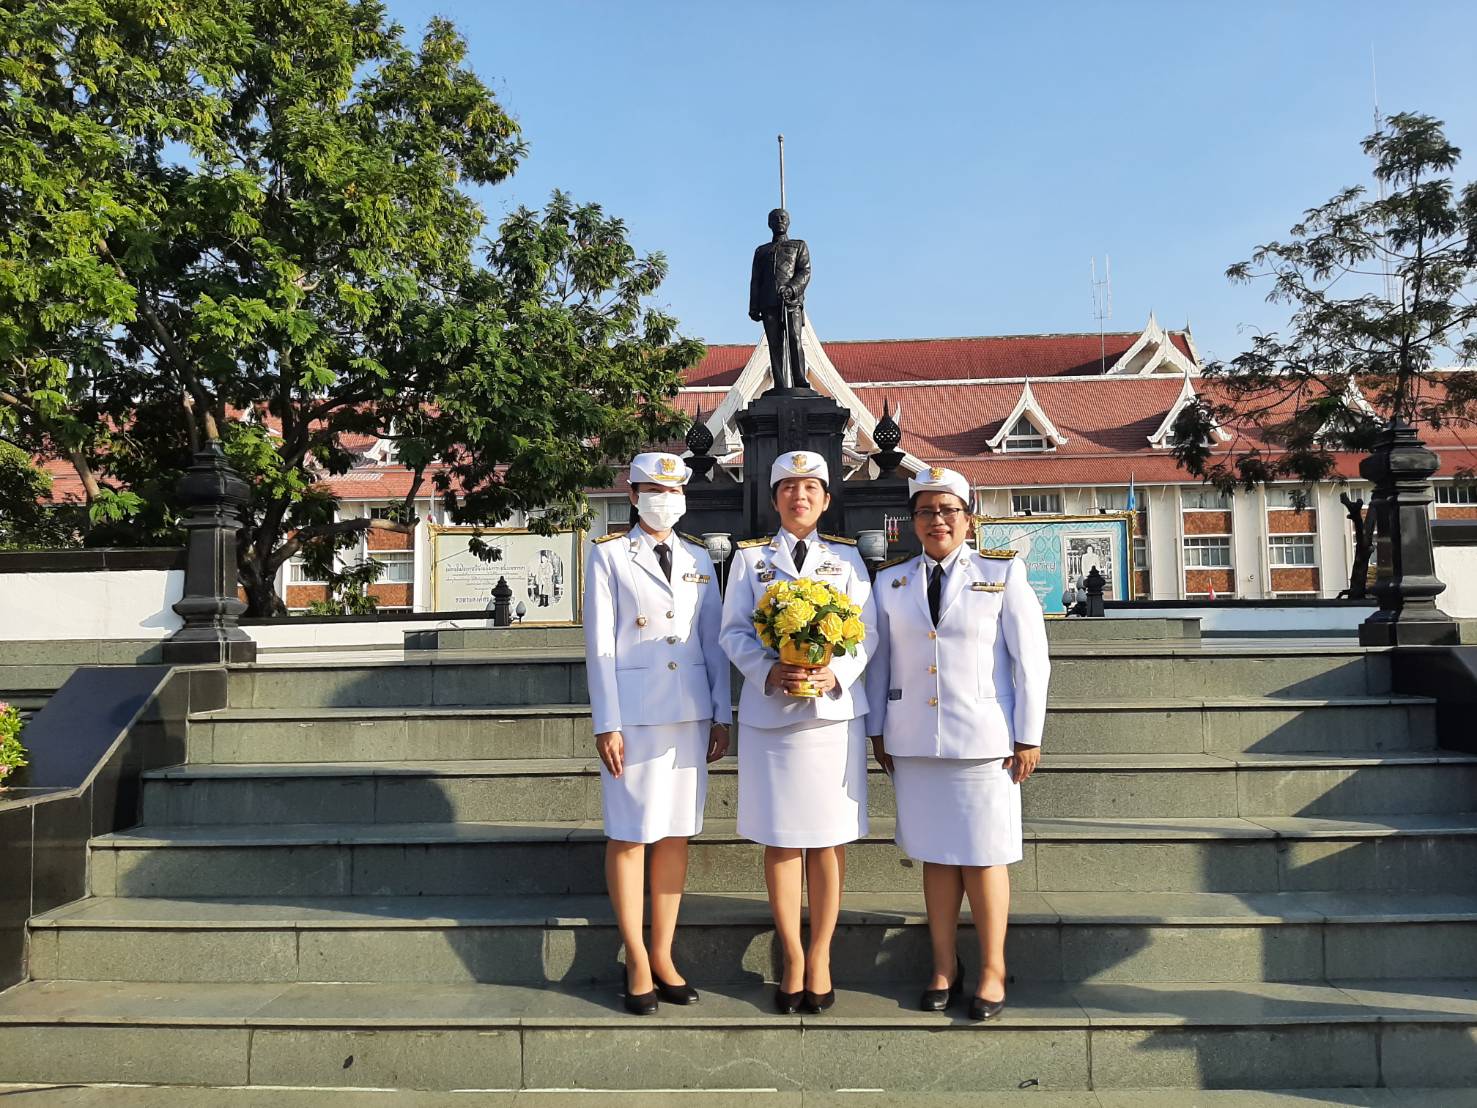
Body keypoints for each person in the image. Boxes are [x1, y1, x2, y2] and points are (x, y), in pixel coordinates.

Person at [865, 466, 1049, 1021]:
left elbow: (1031, 662)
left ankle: (992, 967)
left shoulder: (1002, 573)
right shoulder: (890, 582)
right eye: (926, 511)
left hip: (985, 741)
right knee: (937, 857)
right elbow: (880, 663)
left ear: (969, 518)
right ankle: (944, 965)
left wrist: (1028, 735)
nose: (937, 520)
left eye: (948, 510)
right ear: (911, 522)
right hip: (915, 741)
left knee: (986, 857)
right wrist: (878, 729)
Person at [719, 449, 876, 1014]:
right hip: (773, 719)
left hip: (832, 717)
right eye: (788, 487)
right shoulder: (750, 561)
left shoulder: (848, 559)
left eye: (811, 487)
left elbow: (868, 633)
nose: (799, 496)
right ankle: (790, 957)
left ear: (826, 499)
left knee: (829, 840)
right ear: (774, 498)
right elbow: (733, 632)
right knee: (782, 839)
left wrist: (838, 670)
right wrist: (767, 670)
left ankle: (822, 955)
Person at [583, 451, 731, 1014]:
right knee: (629, 834)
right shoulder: (610, 556)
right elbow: (599, 645)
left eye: (673, 490)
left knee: (673, 834)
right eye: (653, 489)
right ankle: (637, 958)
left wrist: (722, 713)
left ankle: (664, 953)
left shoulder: (698, 557)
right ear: (633, 492)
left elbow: (712, 642)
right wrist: (608, 722)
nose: (664, 498)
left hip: (688, 714)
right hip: (636, 716)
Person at [748, 208, 812, 391]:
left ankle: (800, 380)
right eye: (775, 219)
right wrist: (753, 306)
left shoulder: (798, 246)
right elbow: (756, 280)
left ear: (789, 222)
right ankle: (780, 383)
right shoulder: (762, 251)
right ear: (769, 224)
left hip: (791, 302)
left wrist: (792, 288)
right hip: (768, 302)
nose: (780, 221)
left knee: (794, 339)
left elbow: (805, 271)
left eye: (783, 218)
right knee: (775, 344)